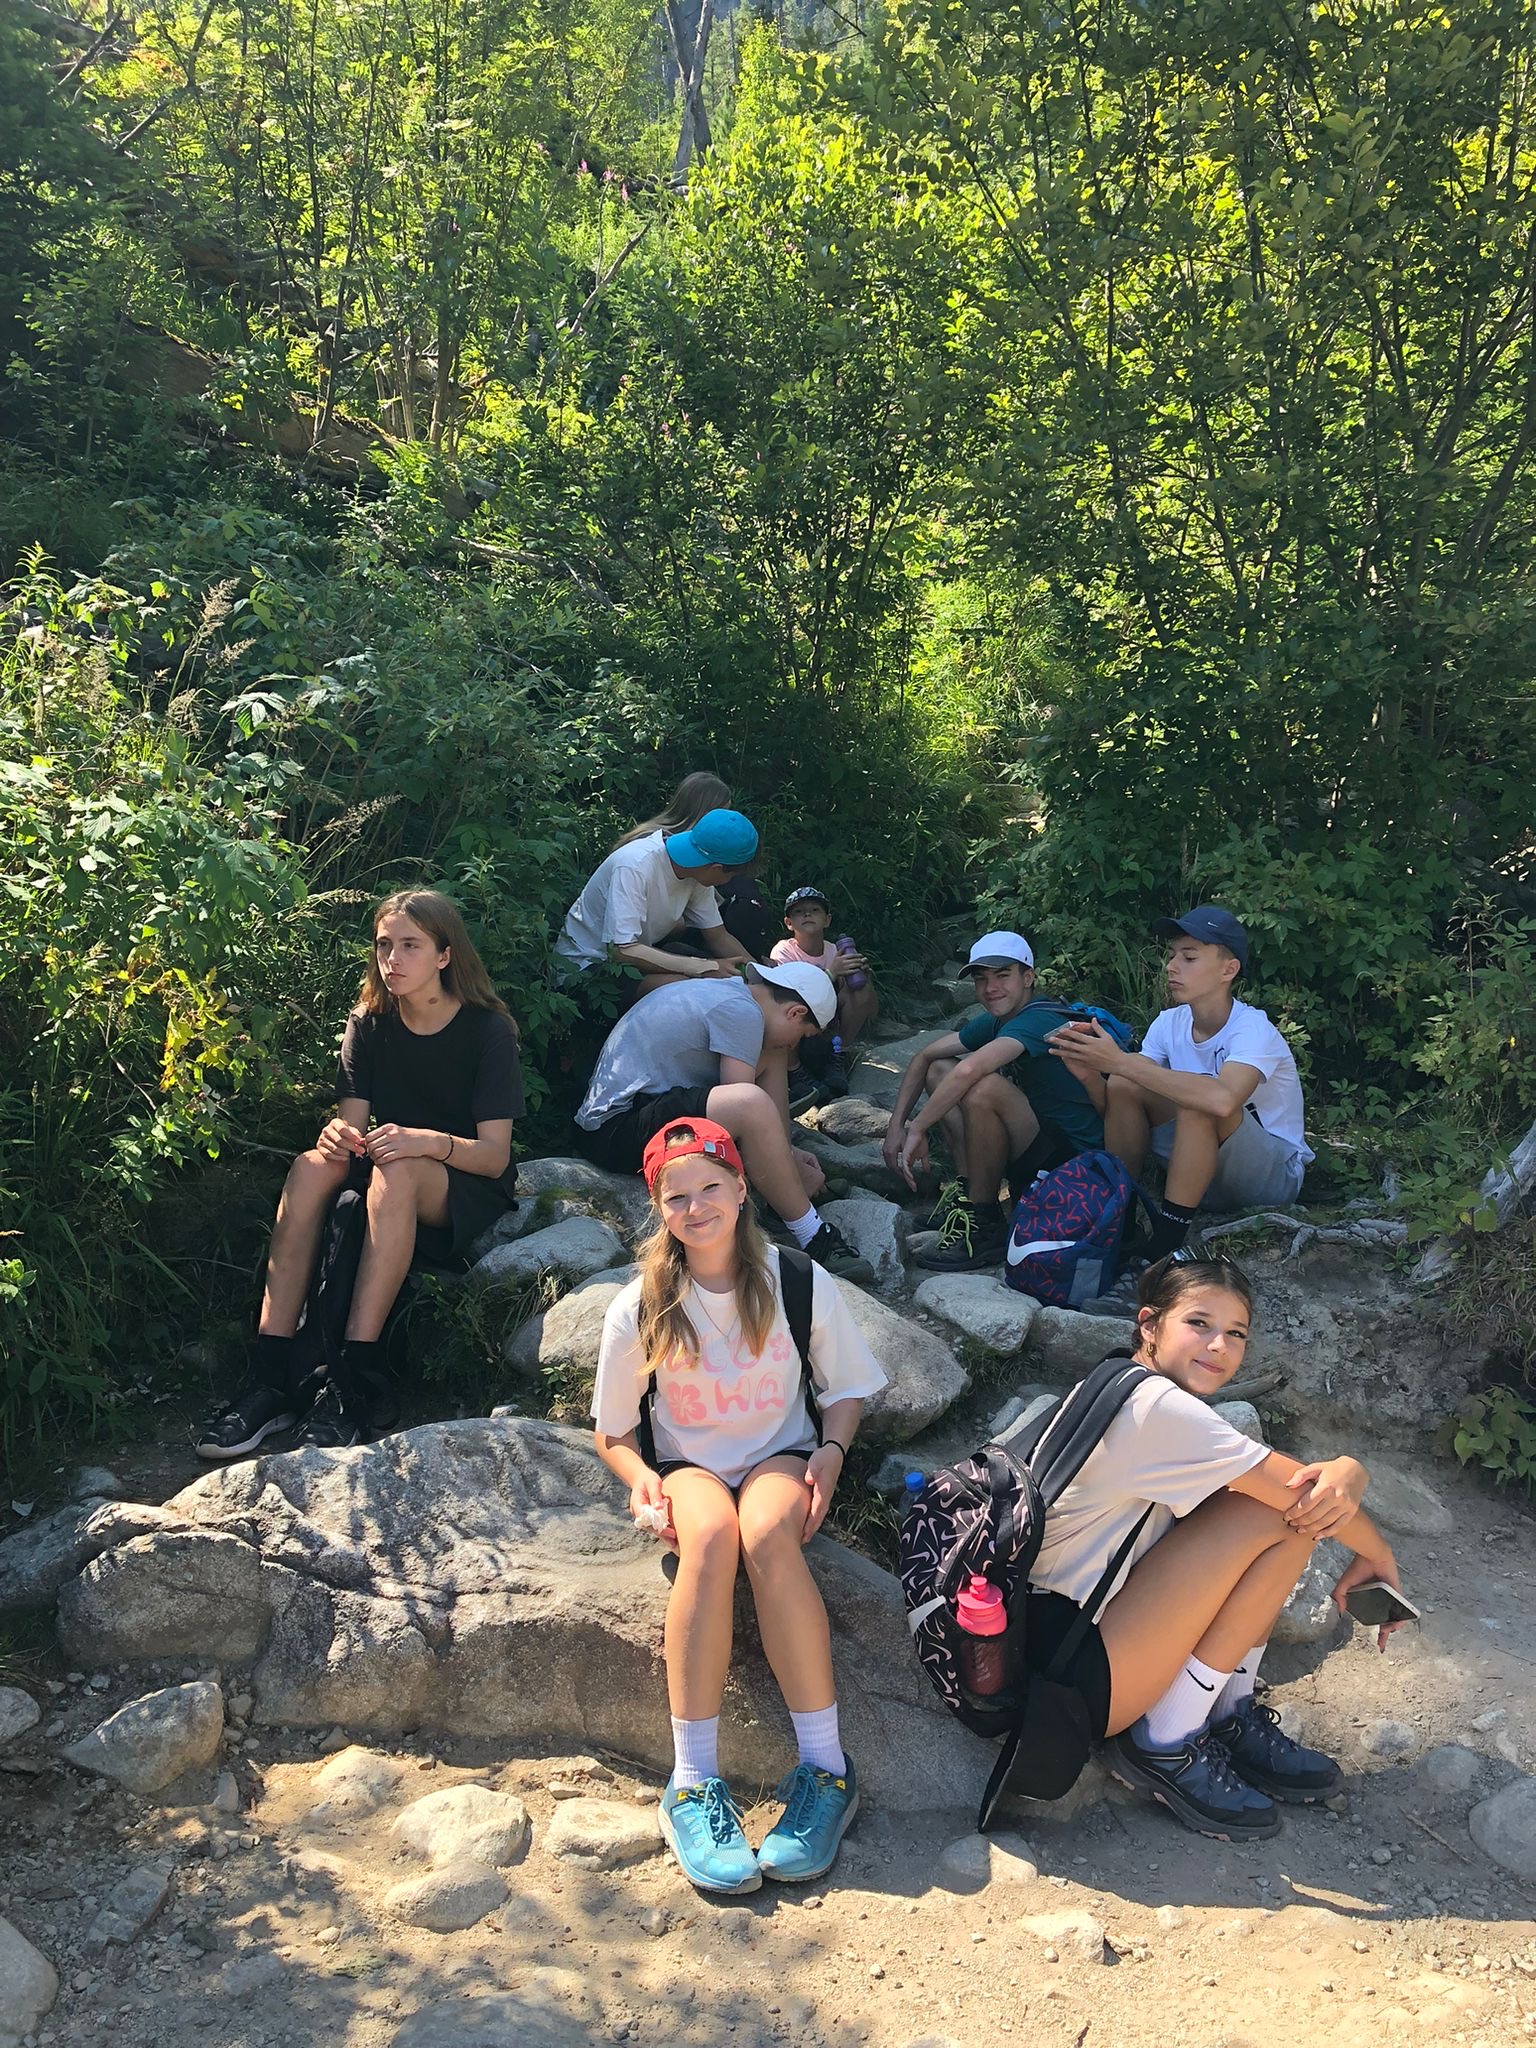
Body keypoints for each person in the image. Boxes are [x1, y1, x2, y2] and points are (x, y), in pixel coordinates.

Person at [592, 1116, 887, 1892]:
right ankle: (693, 1782)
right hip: (688, 1466)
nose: (696, 1207)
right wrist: (639, 1477)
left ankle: (825, 1769)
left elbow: (847, 1388)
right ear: (659, 1208)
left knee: (764, 1534)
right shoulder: (641, 1304)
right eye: (677, 1196)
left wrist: (831, 1452)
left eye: (710, 1188)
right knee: (711, 1537)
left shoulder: (796, 1280)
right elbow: (613, 1432)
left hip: (779, 1458)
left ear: (741, 1187)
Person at [1028, 1251, 1406, 1840]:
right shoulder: (1159, 1409)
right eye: (1198, 1323)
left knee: (1275, 1515)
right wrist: (1377, 1551)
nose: (1218, 1346)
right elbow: (1303, 1495)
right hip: (1067, 1678)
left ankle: (1226, 1714)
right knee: (1280, 1515)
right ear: (1150, 1324)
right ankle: (1165, 1738)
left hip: (1059, 1636)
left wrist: (1349, 1472)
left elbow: (1291, 1487)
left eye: (1235, 1333)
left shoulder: (1123, 1380)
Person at [195, 889, 523, 1458]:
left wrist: (427, 1141)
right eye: (384, 945)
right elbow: (352, 1125)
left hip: (459, 1176)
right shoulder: (368, 1021)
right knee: (310, 1167)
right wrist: (335, 1136)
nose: (393, 959)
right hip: (387, 1162)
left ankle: (350, 1377)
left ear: (444, 955)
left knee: (399, 1170)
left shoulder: (486, 1030)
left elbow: (494, 1155)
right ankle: (270, 1377)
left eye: (410, 946)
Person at [1049, 905, 1312, 1313]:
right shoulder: (1168, 1023)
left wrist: (1119, 1060)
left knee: (1201, 1100)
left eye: (1189, 957)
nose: (1172, 966)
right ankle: (1121, 1220)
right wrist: (1092, 1076)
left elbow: (1222, 1100)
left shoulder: (1253, 1029)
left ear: (1228, 970)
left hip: (1272, 1176)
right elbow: (1122, 1102)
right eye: (1172, 955)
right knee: (1124, 1084)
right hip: (1202, 1172)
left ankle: (1164, 1252)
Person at [572, 960, 873, 1281]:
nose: (795, 1044)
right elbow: (740, 1114)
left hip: (638, 1111)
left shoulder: (736, 996)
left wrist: (786, 1155)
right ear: (795, 1012)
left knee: (772, 1052)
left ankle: (785, 1184)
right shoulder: (741, 1012)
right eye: (802, 1034)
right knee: (750, 1102)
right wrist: (784, 1163)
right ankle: (812, 1234)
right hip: (615, 1129)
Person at [882, 931, 1117, 1271]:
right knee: (939, 1069)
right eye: (981, 979)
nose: (991, 988)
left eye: (1003, 975)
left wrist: (917, 1128)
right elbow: (924, 1056)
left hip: (1075, 1162)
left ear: (1028, 977)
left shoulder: (1039, 1019)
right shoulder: (999, 1020)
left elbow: (971, 1070)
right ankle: (968, 1197)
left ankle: (986, 1223)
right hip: (1038, 1140)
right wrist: (896, 1127)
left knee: (983, 1088)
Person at [555, 802, 759, 1000]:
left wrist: (757, 971)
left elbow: (717, 936)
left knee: (703, 970)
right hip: (585, 968)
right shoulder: (635, 866)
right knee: (691, 988)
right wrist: (704, 967)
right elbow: (620, 950)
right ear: (716, 868)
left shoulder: (698, 872)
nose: (729, 882)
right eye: (731, 876)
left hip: (630, 960)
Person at [770, 886, 880, 1098]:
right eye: (799, 912)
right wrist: (831, 973)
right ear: (789, 923)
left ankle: (837, 1057)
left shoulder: (834, 951)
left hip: (830, 1025)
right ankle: (795, 1071)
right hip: (798, 1024)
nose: (807, 915)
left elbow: (871, 1010)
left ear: (827, 920)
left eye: (814, 910)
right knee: (785, 1010)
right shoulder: (784, 951)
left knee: (859, 989)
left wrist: (865, 978)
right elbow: (788, 996)